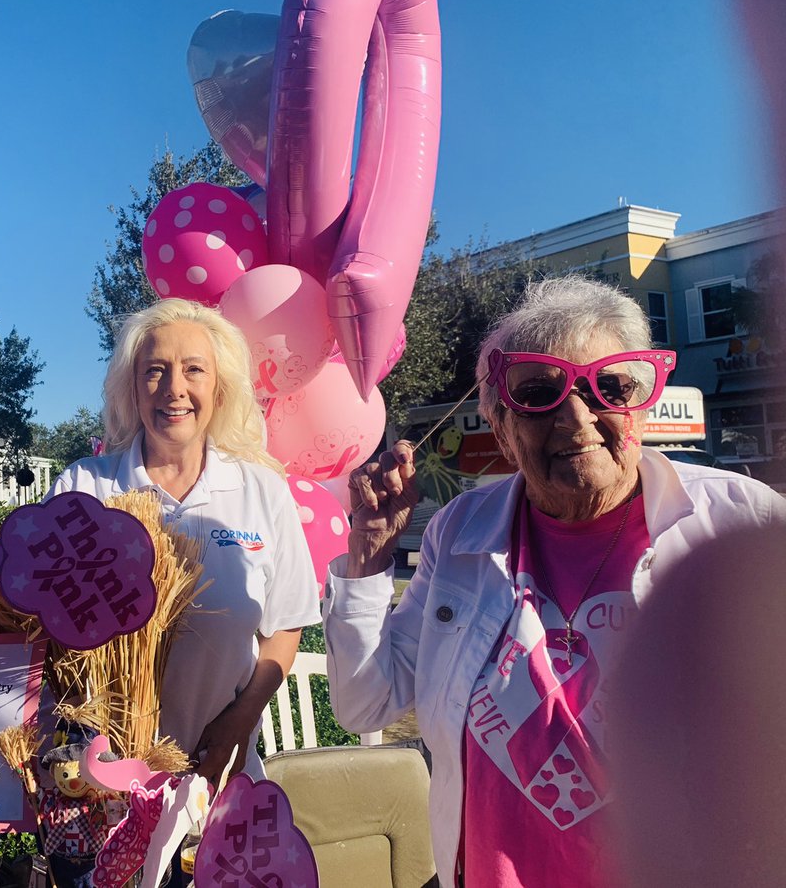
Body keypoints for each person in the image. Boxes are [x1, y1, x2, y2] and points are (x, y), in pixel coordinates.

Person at [322, 276, 786, 888]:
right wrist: (370, 554)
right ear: (502, 425)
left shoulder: (738, 519)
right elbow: (366, 703)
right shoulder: (459, 534)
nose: (576, 417)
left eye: (610, 386)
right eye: (539, 393)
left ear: (640, 404)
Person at [0, 298, 320, 785]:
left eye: (194, 369)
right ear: (132, 386)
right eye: (155, 370)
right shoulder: (85, 489)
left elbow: (285, 627)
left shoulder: (262, 491)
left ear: (220, 386)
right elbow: (31, 616)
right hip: (93, 786)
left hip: (219, 776)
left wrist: (239, 722)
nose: (174, 389)